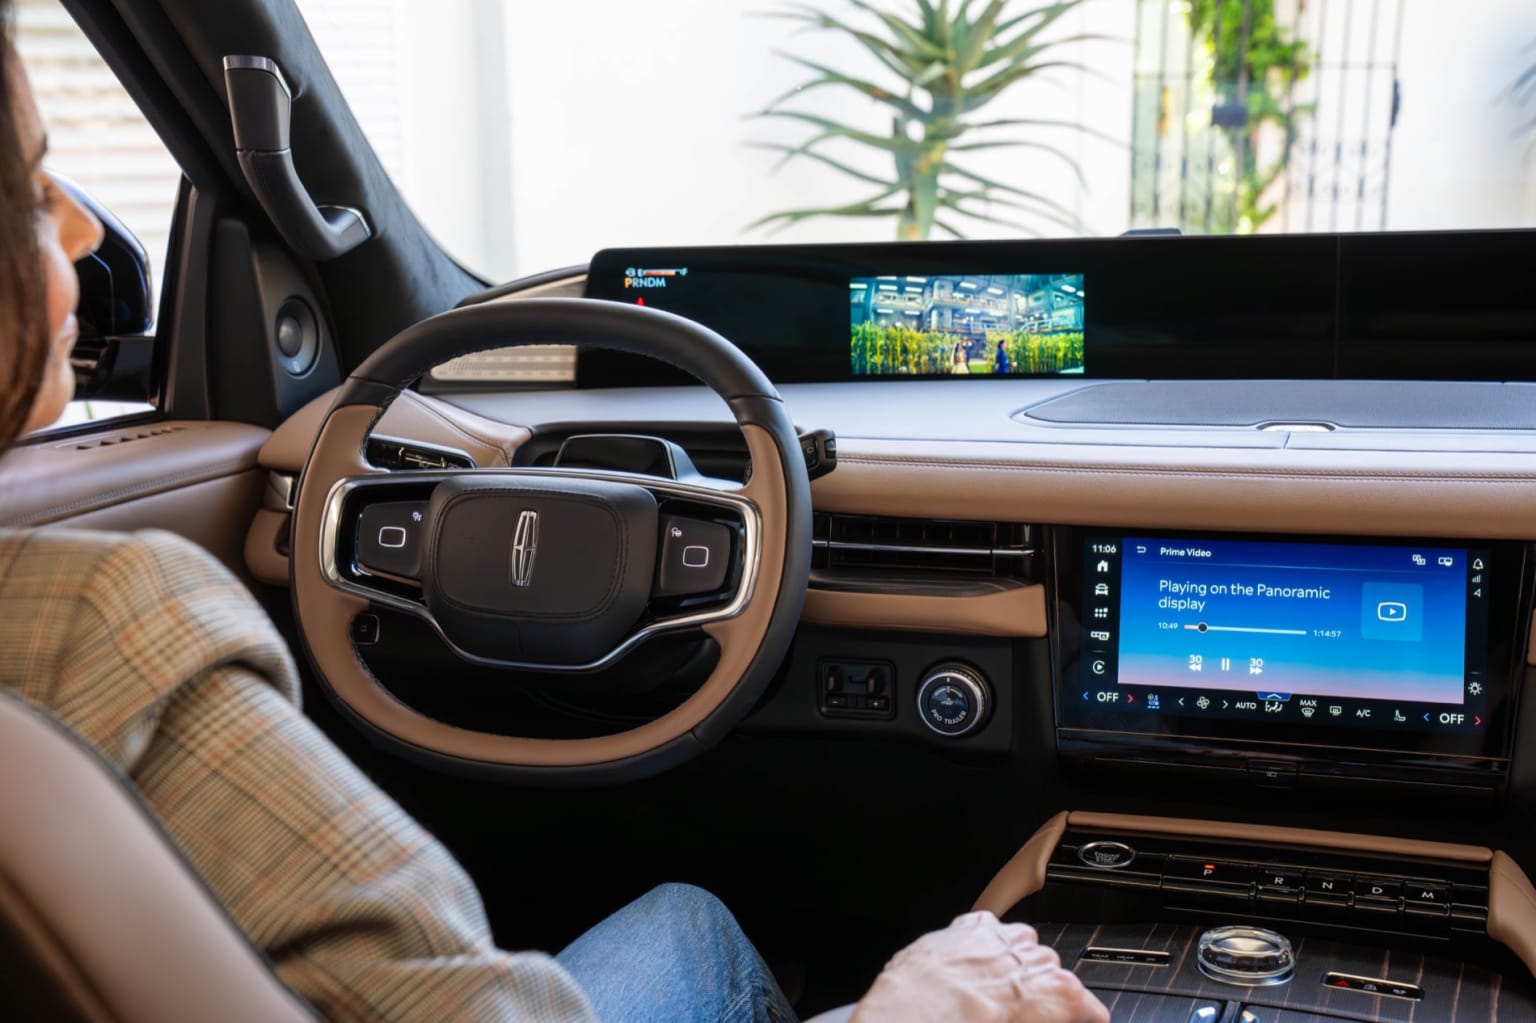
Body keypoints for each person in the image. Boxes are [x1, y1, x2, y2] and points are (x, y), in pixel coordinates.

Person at [0, 7, 1107, 1021]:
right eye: (40, 188)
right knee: (695, 924)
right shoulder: (103, 616)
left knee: (684, 912)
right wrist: (904, 1007)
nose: (87, 230)